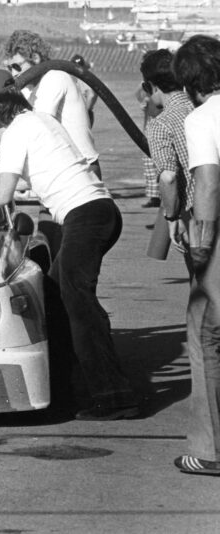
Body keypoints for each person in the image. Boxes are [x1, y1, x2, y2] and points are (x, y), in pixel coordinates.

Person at [0, 70, 139, 420]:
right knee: (61, 298)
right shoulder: (39, 121)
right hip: (99, 212)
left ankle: (114, 395)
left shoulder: (16, 132)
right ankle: (80, 385)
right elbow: (31, 174)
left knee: (77, 303)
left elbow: (2, 194)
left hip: (84, 216)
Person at [171, 35, 220, 476]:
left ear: (189, 84)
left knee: (207, 337)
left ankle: (209, 450)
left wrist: (201, 245)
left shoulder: (203, 117)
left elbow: (206, 181)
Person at [4, 30, 101, 178]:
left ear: (35, 58)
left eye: (17, 67)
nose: (14, 74)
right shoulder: (30, 88)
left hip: (82, 171)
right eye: (9, 68)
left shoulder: (55, 77)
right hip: (62, 169)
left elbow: (36, 127)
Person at [139, 49, 194, 257]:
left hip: (197, 213)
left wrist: (171, 218)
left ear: (149, 86)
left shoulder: (161, 124)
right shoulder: (202, 109)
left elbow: (168, 177)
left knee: (203, 283)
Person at [137, 83, 165, 209]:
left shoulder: (160, 97)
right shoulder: (149, 98)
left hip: (157, 130)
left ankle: (161, 197)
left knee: (160, 165)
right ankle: (155, 197)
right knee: (150, 166)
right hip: (150, 130)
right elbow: (138, 94)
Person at [70, 54, 98, 127]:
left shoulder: (83, 78)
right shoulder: (87, 74)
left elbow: (91, 95)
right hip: (87, 113)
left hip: (83, 114)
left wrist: (85, 112)